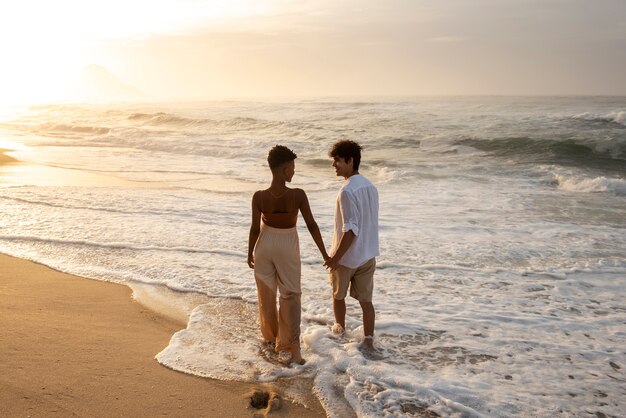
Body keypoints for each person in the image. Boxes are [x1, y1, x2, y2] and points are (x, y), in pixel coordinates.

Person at [247, 145, 329, 365]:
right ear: (284, 170)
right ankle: (292, 349)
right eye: (292, 168)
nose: (294, 172)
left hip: (264, 245)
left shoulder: (259, 197)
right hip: (287, 244)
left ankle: (270, 340)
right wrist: (325, 254)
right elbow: (311, 225)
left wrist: (249, 252)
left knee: (266, 294)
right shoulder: (297, 195)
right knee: (290, 295)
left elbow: (255, 228)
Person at [324, 140, 380, 350]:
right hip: (367, 254)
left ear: (350, 160)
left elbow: (351, 229)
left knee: (338, 297)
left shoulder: (347, 191)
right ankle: (369, 340)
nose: (334, 165)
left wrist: (335, 258)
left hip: (347, 257)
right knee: (366, 301)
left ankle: (340, 333)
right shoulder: (370, 187)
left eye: (337, 161)